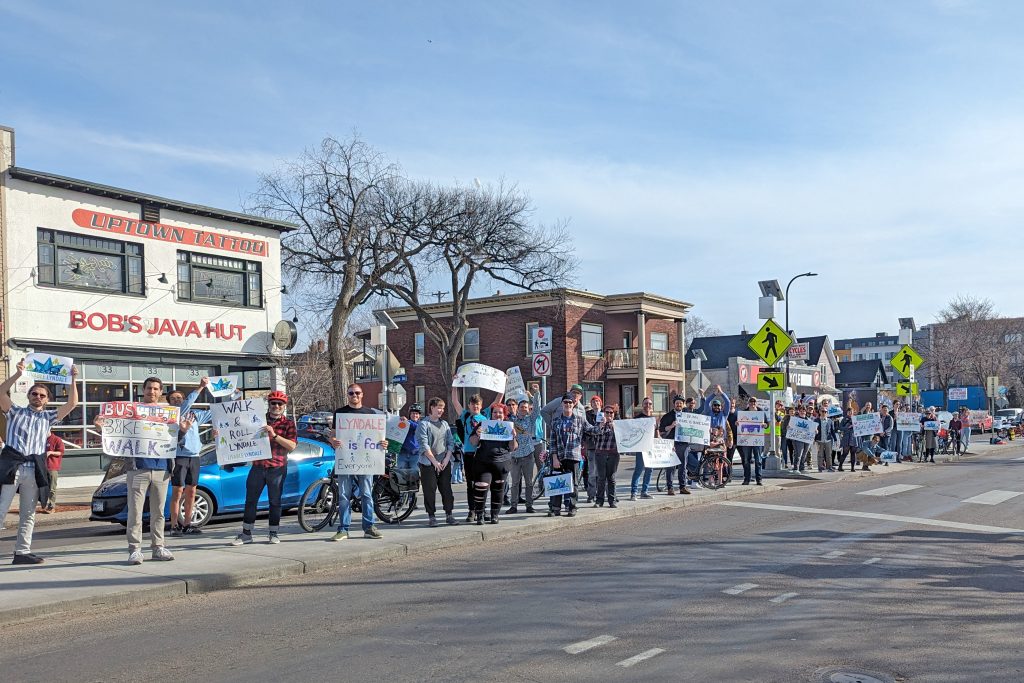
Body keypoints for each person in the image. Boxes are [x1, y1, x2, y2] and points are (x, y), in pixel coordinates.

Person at [94, 376, 179, 565]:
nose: (152, 392)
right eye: (149, 388)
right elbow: (117, 433)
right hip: (138, 467)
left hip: (162, 468)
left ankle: (158, 547)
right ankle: (135, 549)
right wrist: (101, 429)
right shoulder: (132, 412)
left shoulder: (168, 413)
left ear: (161, 392)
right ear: (144, 389)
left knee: (158, 512)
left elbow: (174, 438)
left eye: (156, 389)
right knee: (135, 512)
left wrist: (185, 430)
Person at [0, 359, 79, 564]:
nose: (37, 397)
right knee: (0, 509)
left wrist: (73, 380)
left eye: (42, 395)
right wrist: (17, 375)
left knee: (28, 513)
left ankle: (22, 552)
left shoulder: (49, 417)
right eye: (34, 393)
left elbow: (72, 404)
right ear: (28, 396)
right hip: (13, 466)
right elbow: (0, 393)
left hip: (34, 469)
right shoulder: (15, 412)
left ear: (47, 400)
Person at [229, 390, 297, 545]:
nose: (276, 406)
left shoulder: (288, 424)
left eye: (280, 404)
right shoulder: (258, 419)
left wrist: (274, 435)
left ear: (284, 406)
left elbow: (292, 446)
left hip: (277, 467)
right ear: (269, 404)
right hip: (258, 467)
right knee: (251, 500)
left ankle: (273, 533)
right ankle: (246, 533)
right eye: (273, 403)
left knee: (275, 501)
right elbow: (238, 428)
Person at [328, 383, 386, 540]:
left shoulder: (371, 414)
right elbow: (332, 434)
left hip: (366, 460)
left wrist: (383, 443)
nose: (354, 395)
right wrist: (333, 441)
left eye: (357, 393)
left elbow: (379, 438)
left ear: (362, 394)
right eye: (351, 393)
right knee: (344, 496)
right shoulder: (340, 413)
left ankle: (369, 527)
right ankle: (343, 529)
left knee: (367, 494)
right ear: (347, 395)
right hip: (346, 459)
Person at [168, 378, 212, 536]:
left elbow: (215, 413)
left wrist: (232, 398)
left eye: (179, 398)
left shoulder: (194, 414)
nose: (177, 401)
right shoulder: (171, 415)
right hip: (179, 456)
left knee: (191, 491)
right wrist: (201, 387)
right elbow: (188, 404)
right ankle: (174, 525)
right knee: (177, 491)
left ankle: (187, 524)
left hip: (194, 456)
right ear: (169, 403)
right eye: (173, 399)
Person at [548, 393, 600, 516]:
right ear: (562, 404)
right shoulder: (555, 421)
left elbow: (593, 430)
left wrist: (602, 424)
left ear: (574, 404)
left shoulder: (580, 419)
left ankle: (572, 507)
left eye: (570, 403)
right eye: (565, 402)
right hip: (559, 457)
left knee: (574, 483)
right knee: (557, 482)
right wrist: (554, 457)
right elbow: (552, 442)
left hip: (574, 456)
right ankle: (555, 508)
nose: (568, 405)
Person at [467, 403, 517, 524]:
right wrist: (477, 434)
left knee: (498, 489)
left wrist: (513, 437)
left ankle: (495, 515)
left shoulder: (508, 426)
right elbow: (472, 442)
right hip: (483, 462)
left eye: (500, 412)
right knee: (481, 488)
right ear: (491, 414)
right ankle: (479, 515)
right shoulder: (483, 425)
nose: (497, 414)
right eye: (495, 412)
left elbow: (513, 448)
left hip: (502, 463)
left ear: (504, 414)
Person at [416, 397, 458, 527]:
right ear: (432, 408)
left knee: (446, 489)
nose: (441, 410)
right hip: (428, 463)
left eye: (442, 408)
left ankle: (449, 514)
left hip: (444, 462)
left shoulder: (445, 424)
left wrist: (446, 458)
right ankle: (431, 516)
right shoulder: (424, 424)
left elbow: (450, 442)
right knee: (430, 490)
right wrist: (434, 462)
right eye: (439, 407)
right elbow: (424, 445)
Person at [453, 391, 488, 523]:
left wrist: (502, 382)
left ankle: (482, 510)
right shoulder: (466, 416)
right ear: (469, 405)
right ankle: (472, 510)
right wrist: (455, 385)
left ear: (481, 405)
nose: (475, 407)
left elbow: (497, 401)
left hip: (482, 454)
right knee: (470, 484)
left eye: (477, 404)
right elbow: (455, 402)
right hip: (469, 454)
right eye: (473, 404)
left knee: (483, 484)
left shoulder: (485, 418)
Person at [508, 391, 541, 514]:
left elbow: (537, 409)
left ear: (528, 409)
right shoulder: (512, 420)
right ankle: (513, 506)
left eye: (525, 407)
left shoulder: (530, 419)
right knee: (515, 483)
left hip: (528, 455)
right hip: (515, 457)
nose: (523, 409)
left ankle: (529, 505)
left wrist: (536, 394)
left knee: (529, 482)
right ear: (518, 408)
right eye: (521, 407)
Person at [628, 397, 658, 500]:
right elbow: (632, 431)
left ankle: (644, 491)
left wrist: (662, 444)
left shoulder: (654, 419)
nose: (648, 406)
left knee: (649, 470)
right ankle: (634, 492)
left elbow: (656, 434)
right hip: (641, 448)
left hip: (651, 448)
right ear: (642, 405)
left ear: (652, 406)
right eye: (646, 404)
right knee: (639, 470)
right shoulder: (637, 418)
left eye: (650, 404)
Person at [591, 404, 620, 507]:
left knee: (611, 478)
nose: (608, 414)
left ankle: (612, 500)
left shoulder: (618, 425)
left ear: (614, 414)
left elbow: (623, 439)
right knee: (601, 478)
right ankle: (599, 500)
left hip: (613, 453)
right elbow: (593, 433)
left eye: (611, 413)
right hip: (600, 453)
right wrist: (601, 425)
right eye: (606, 412)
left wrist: (614, 428)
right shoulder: (599, 423)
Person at [657, 396, 687, 495]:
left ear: (683, 404)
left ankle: (683, 487)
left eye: (681, 403)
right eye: (677, 403)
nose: (679, 405)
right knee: (671, 467)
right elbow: (661, 430)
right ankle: (670, 488)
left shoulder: (687, 416)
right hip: (671, 444)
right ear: (674, 404)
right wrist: (671, 426)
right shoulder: (667, 416)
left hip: (683, 444)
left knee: (683, 466)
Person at [737, 397, 766, 485]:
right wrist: (737, 423)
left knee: (758, 460)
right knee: (746, 460)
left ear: (756, 403)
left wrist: (765, 425)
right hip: (746, 440)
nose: (752, 403)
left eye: (754, 402)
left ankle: (759, 479)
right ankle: (747, 479)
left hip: (757, 439)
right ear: (748, 403)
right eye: (751, 401)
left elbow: (767, 424)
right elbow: (740, 423)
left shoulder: (761, 412)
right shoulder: (743, 413)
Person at [582, 395, 604, 503]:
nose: (595, 403)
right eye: (593, 402)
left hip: (603, 447)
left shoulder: (605, 414)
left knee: (603, 473)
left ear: (601, 403)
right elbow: (585, 429)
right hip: (591, 447)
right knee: (591, 472)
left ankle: (604, 494)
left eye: (597, 401)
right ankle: (591, 495)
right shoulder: (587, 415)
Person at [41, 432, 65, 513]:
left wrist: (51, 452)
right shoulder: (41, 439)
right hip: (42, 467)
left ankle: (51, 506)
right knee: (41, 487)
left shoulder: (56, 439)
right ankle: (42, 505)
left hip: (52, 467)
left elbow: (61, 452)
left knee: (52, 488)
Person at [814, 406, 837, 472]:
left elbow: (832, 431)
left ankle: (829, 467)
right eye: (822, 411)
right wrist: (814, 439)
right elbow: (813, 431)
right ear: (820, 412)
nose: (824, 413)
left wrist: (835, 439)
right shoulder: (816, 420)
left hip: (828, 440)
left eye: (825, 411)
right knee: (820, 454)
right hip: (819, 440)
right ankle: (820, 467)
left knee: (829, 455)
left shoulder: (830, 421)